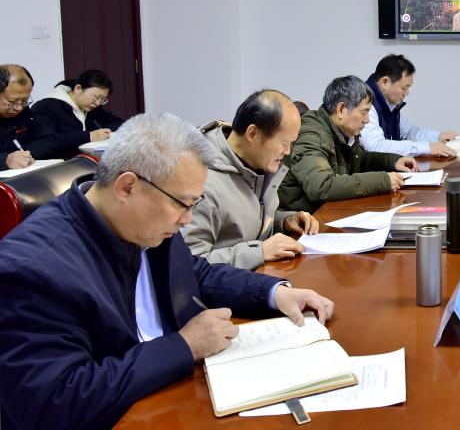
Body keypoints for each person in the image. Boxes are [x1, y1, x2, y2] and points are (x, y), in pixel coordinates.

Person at [0, 113, 335, 429]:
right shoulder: (31, 270)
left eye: (194, 204)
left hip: (171, 391)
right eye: (183, 204)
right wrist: (184, 347)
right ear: (127, 187)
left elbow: (194, 274)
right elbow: (54, 403)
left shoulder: (144, 221)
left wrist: (274, 293)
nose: (187, 219)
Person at [182, 89, 320, 269]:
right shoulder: (202, 183)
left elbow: (245, 218)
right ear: (252, 133)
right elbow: (189, 264)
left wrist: (283, 221)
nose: (287, 152)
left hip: (259, 276)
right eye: (283, 143)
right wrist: (258, 252)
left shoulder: (255, 162)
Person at [279, 75, 415, 211]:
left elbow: (360, 160)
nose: (367, 120)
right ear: (341, 109)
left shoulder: (342, 133)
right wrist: (383, 181)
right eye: (364, 112)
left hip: (325, 211)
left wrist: (393, 161)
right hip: (303, 218)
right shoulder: (312, 136)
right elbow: (321, 187)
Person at [361, 54, 458, 158]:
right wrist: (427, 148)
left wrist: (438, 137)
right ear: (385, 82)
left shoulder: (388, 103)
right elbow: (375, 146)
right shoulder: (365, 103)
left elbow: (408, 131)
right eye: (404, 88)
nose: (407, 93)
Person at [29, 68, 123, 160]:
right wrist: (89, 136)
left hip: (85, 162)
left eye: (103, 99)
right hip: (59, 164)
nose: (97, 103)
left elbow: (117, 123)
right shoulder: (46, 107)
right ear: (78, 88)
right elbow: (47, 142)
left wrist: (108, 133)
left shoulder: (91, 108)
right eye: (95, 97)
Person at [0, 64, 35, 169]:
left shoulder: (24, 114)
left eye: (24, 100)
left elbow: (46, 139)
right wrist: (4, 160)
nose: (19, 108)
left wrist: (26, 154)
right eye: (12, 102)